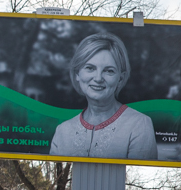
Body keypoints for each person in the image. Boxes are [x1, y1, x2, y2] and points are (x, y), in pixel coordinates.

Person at [49, 32, 158, 161]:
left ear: (120, 78)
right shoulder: (62, 131)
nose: (98, 78)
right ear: (77, 73)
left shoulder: (140, 125)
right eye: (90, 68)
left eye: (109, 71)